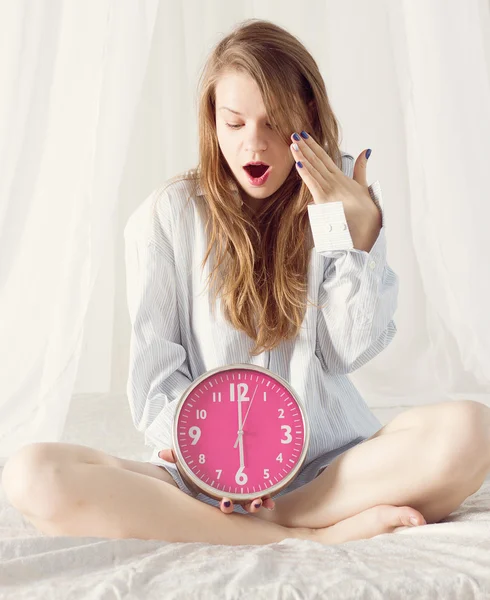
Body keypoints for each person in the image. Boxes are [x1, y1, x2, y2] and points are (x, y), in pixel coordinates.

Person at [3, 19, 489, 547]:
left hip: (329, 469)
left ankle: (285, 518)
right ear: (212, 123)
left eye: (275, 123)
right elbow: (156, 384)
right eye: (234, 124)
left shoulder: (337, 195)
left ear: (308, 118)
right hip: (204, 476)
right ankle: (306, 535)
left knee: (472, 431)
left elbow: (346, 350)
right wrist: (212, 468)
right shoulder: (165, 217)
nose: (254, 145)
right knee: (31, 474)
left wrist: (357, 237)